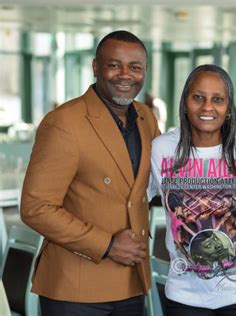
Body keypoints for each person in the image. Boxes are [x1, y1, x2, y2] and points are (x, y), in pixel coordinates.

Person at [20, 30, 160, 315]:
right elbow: (36, 208)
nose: (125, 75)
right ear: (96, 67)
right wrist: (107, 244)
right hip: (76, 287)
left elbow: (168, 172)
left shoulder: (146, 118)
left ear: (144, 71)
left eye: (135, 67)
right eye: (114, 65)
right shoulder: (65, 123)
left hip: (132, 280)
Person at [148, 64, 236, 315]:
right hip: (186, 295)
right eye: (198, 98)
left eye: (217, 99)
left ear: (228, 108)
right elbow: (133, 198)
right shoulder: (161, 149)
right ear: (185, 102)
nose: (207, 107)